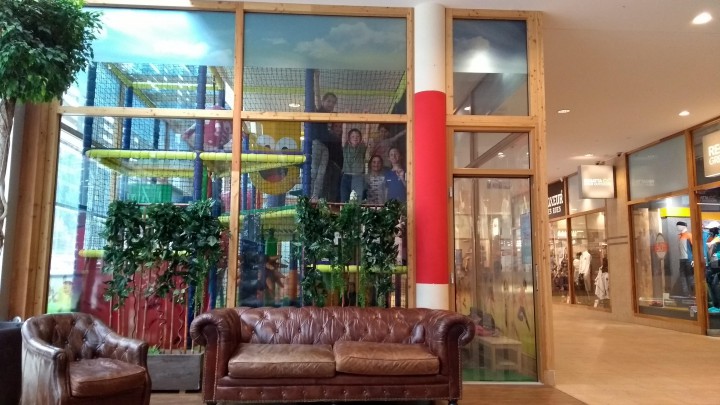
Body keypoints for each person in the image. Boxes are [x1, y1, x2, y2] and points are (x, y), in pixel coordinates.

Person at [310, 92, 337, 200]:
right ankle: (310, 194)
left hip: (325, 147)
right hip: (316, 143)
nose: (331, 104)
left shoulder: (330, 117)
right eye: (328, 101)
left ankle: (315, 196)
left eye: (333, 102)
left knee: (321, 173)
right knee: (314, 171)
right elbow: (317, 96)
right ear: (323, 101)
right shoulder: (319, 112)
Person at [340, 128, 366, 203]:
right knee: (344, 201)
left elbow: (366, 137)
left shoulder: (362, 148)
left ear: (360, 139)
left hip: (358, 177)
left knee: (357, 201)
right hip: (346, 176)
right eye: (353, 136)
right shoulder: (345, 147)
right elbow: (344, 132)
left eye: (357, 136)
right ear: (349, 139)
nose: (355, 138)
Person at [676, 221, 694, 296]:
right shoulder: (679, 236)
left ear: (684, 226)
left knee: (690, 276)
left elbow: (694, 247)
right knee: (683, 276)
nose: (677, 227)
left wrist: (693, 259)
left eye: (678, 225)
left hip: (688, 259)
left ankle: (694, 293)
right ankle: (686, 294)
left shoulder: (689, 235)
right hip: (682, 259)